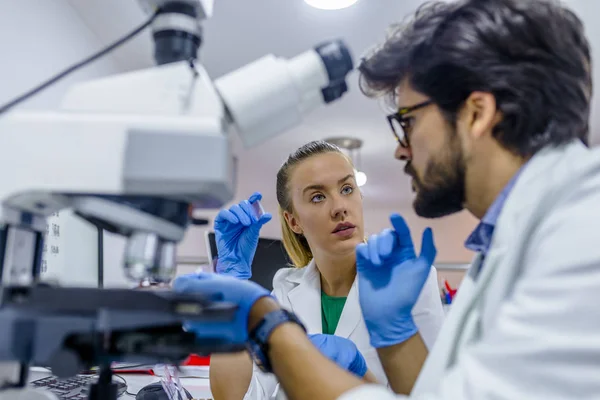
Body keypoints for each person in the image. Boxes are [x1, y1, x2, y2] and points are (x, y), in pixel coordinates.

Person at [175, 0, 600, 398]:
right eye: (317, 196)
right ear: (293, 220)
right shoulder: (518, 238)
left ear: (476, 113)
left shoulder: (582, 232)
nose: (401, 149)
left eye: (408, 121)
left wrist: (270, 328)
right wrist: (397, 337)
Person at [208, 141, 445, 399]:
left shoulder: (408, 282)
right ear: (293, 221)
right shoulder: (286, 289)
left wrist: (361, 373)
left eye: (347, 188)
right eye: (318, 196)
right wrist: (231, 288)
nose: (340, 207)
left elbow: (432, 394)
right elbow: (233, 396)